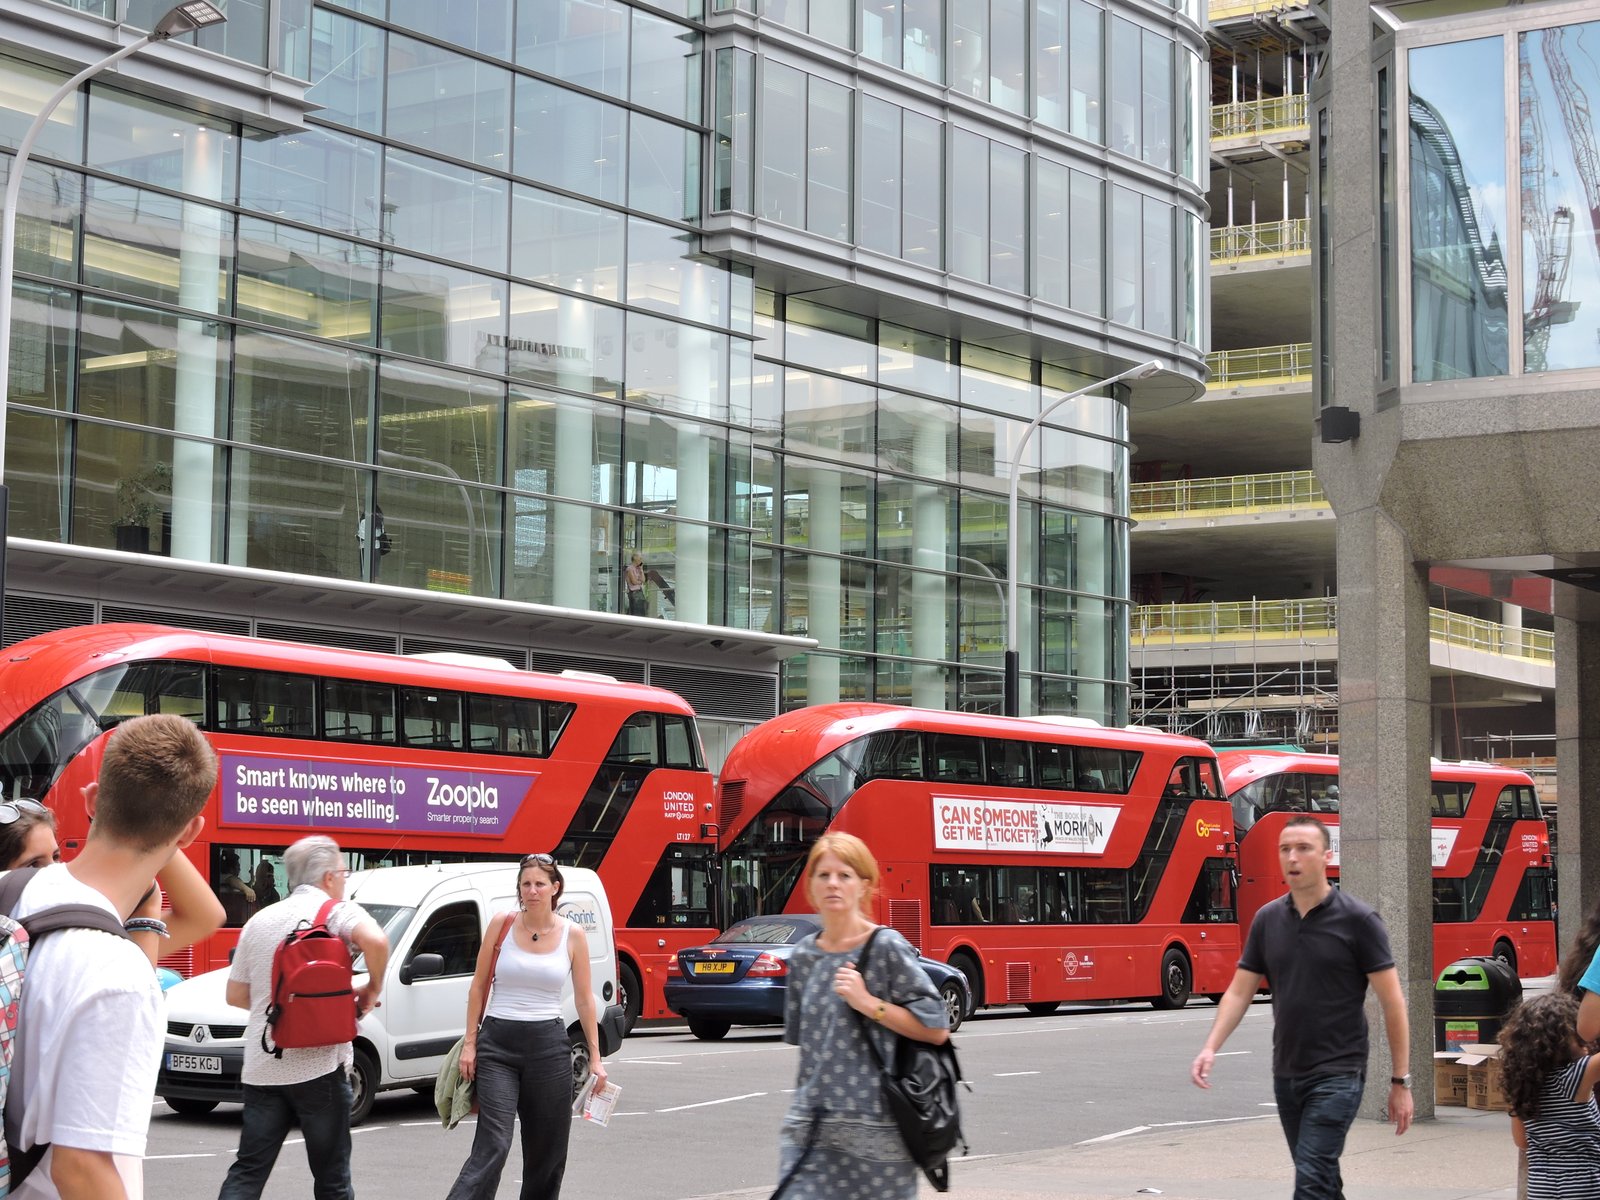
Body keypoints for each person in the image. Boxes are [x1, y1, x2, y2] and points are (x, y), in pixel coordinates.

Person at [10, 713, 219, 1200]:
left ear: (91, 800)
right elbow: (80, 1169)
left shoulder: (9, 890)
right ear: (189, 833)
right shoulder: (119, 975)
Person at [1191, 815, 1412, 1200]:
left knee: (1310, 1181)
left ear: (1326, 855)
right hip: (1288, 1074)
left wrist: (1400, 1082)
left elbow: (1392, 1002)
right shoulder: (1267, 919)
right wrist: (1211, 1046)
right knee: (1322, 1180)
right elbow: (1240, 992)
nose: (1292, 857)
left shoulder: (1359, 921)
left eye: (1303, 848)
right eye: (1285, 849)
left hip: (1339, 1073)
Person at [775, 832, 949, 1199]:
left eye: (845, 875)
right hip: (811, 1131)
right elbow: (806, 1050)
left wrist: (869, 1003)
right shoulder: (804, 956)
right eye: (823, 875)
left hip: (878, 1138)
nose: (833, 884)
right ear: (810, 885)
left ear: (864, 885)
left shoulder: (885, 948)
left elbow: (937, 1027)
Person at [218, 836, 389, 1200]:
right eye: (343, 873)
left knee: (248, 1171)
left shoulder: (259, 920)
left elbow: (234, 995)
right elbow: (377, 942)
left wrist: (279, 1003)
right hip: (320, 1069)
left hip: (263, 1066)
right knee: (332, 1180)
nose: (344, 880)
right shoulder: (337, 912)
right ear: (329, 877)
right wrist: (372, 989)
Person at [447, 853, 606, 1200]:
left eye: (539, 884)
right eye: (526, 884)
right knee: (495, 1143)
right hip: (498, 1044)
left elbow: (584, 1000)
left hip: (548, 1047)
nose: (532, 891)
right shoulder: (501, 924)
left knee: (547, 1151)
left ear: (555, 888)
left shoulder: (573, 934)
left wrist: (595, 1057)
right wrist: (471, 1043)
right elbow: (478, 986)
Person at [1498, 991, 1600, 1199]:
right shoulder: (1573, 1078)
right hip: (1584, 1186)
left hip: (1540, 1187)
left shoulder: (1521, 1086)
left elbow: (1522, 1141)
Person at [214, 849, 255, 925]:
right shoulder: (223, 877)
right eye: (238, 866)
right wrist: (246, 889)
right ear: (231, 868)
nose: (239, 869)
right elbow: (231, 879)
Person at [623, 552, 647, 617]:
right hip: (634, 593)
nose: (641, 560)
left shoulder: (638, 568)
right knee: (636, 612)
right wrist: (640, 582)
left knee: (642, 611)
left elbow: (644, 580)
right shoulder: (630, 569)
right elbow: (634, 582)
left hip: (639, 591)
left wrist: (641, 570)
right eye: (640, 558)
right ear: (635, 558)